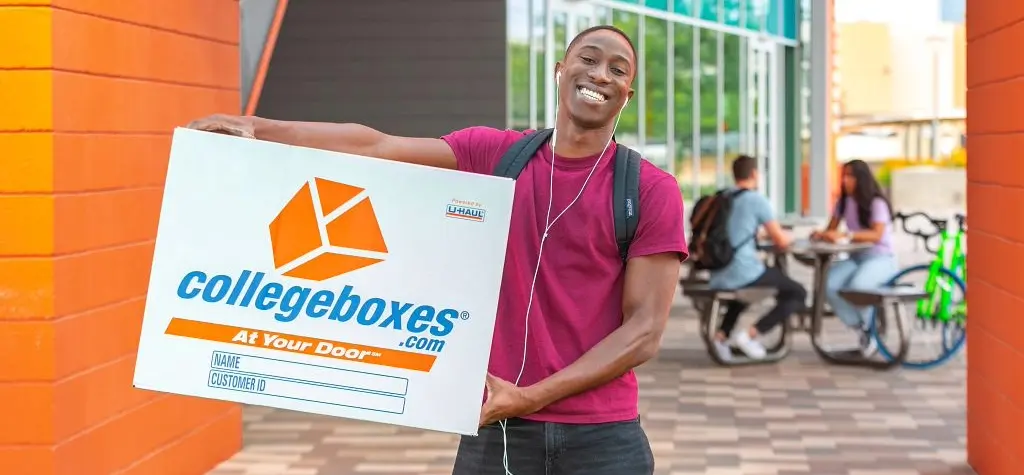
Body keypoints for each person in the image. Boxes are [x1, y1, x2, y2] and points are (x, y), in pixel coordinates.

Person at [185, 25, 687, 475]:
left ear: (627, 94)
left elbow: (643, 332)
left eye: (617, 70)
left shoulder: (646, 189)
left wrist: (529, 397)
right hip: (498, 431)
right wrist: (260, 130)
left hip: (603, 440)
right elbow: (375, 146)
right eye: (588, 58)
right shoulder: (496, 155)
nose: (600, 74)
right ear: (560, 70)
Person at [706, 155, 806, 361]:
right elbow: (781, 241)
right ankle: (750, 335)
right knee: (797, 292)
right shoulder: (756, 200)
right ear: (754, 174)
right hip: (742, 271)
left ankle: (721, 337)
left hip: (718, 272)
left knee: (746, 293)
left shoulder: (724, 197)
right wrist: (793, 236)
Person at [811, 159, 896, 356]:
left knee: (858, 286)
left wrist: (846, 235)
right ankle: (862, 328)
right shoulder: (843, 202)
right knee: (828, 285)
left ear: (861, 178)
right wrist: (821, 234)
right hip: (856, 257)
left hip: (880, 258)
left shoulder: (876, 203)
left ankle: (871, 329)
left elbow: (876, 234)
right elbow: (831, 228)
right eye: (844, 177)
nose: (846, 181)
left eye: (850, 176)